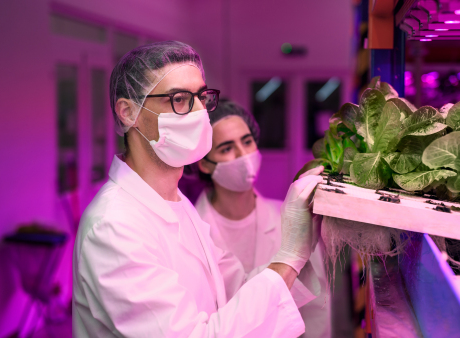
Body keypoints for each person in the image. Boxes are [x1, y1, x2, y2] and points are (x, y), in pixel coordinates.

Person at [72, 41, 325, 337]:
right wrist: (289, 256)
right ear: (129, 113)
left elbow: (236, 292)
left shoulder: (175, 201)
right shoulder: (113, 227)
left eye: (201, 97)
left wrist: (301, 246)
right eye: (179, 99)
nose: (198, 113)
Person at [195, 100, 331, 338]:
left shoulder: (291, 219)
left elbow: (317, 310)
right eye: (226, 148)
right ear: (204, 163)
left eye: (247, 142)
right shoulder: (192, 231)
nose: (243, 155)